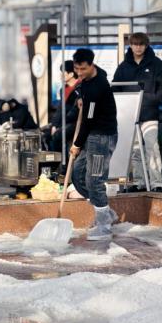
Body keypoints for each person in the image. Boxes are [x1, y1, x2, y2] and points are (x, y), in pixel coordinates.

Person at [113, 33, 162, 192]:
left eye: (141, 44)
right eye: (135, 44)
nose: (138, 47)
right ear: (131, 45)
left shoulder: (156, 64)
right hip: (129, 115)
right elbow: (116, 87)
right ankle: (140, 182)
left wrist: (154, 100)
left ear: (146, 46)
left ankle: (157, 183)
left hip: (149, 114)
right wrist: (121, 107)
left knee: (152, 148)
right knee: (135, 150)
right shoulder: (124, 66)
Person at [70, 48, 118, 241]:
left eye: (83, 69)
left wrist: (76, 144)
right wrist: (80, 97)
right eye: (76, 68)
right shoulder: (92, 77)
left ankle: (104, 226)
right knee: (77, 174)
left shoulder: (97, 87)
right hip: (92, 135)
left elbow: (88, 121)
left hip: (101, 138)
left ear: (92, 65)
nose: (79, 73)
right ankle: (106, 212)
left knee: (94, 180)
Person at [47, 60, 81, 152]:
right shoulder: (63, 89)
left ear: (71, 74)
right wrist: (54, 125)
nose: (60, 75)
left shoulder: (80, 87)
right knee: (45, 134)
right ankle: (57, 159)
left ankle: (62, 160)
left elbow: (75, 111)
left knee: (57, 135)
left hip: (75, 122)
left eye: (63, 72)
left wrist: (60, 126)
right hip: (65, 122)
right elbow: (60, 109)